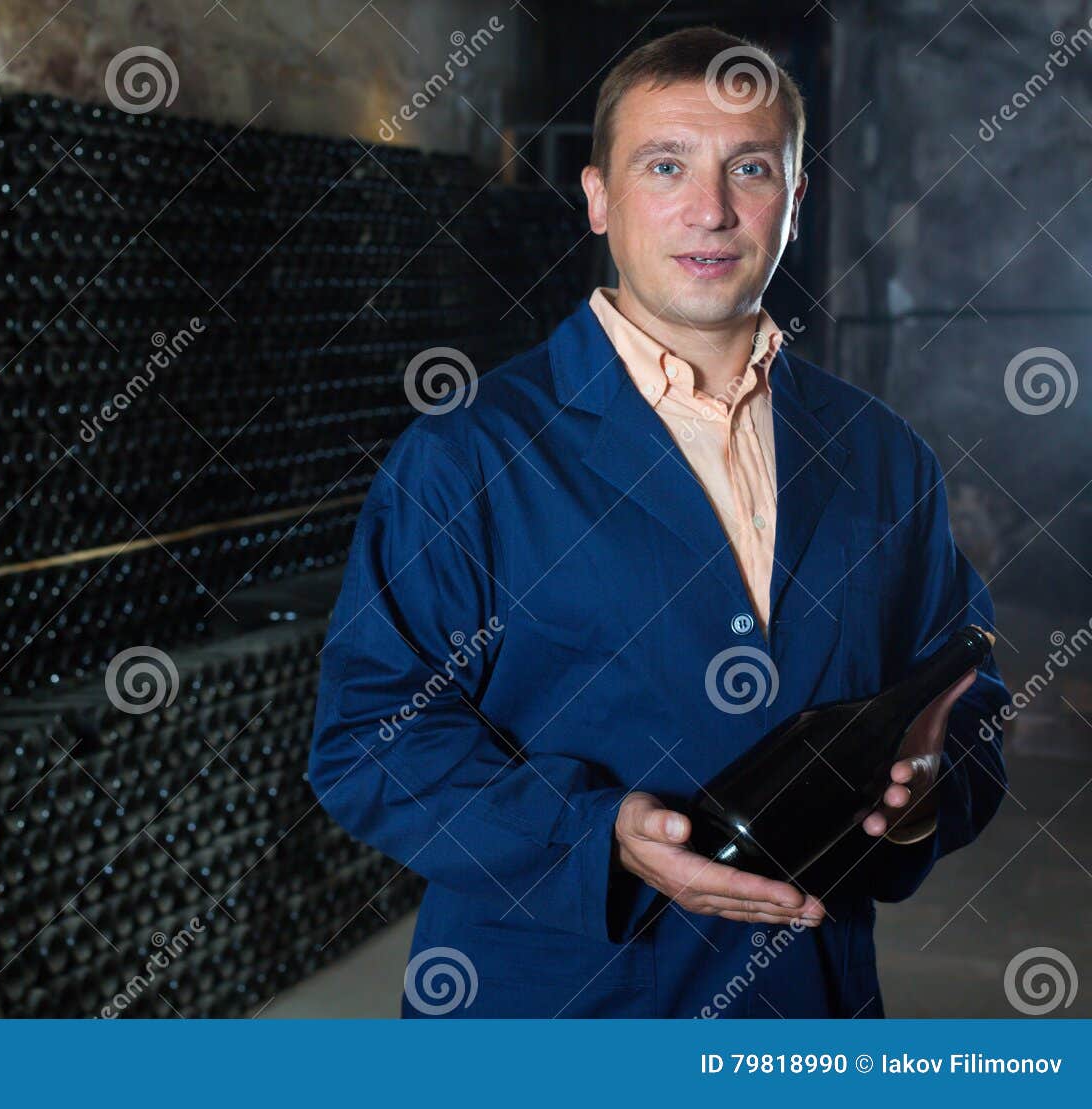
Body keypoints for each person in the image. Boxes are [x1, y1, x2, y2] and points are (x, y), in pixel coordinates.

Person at [307, 25, 1010, 1018]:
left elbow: (967, 702)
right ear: (597, 197)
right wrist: (588, 834)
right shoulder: (472, 453)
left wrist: (923, 798)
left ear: (795, 201)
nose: (710, 209)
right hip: (550, 1008)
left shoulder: (878, 456)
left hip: (804, 1008)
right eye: (665, 164)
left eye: (750, 169)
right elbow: (367, 738)